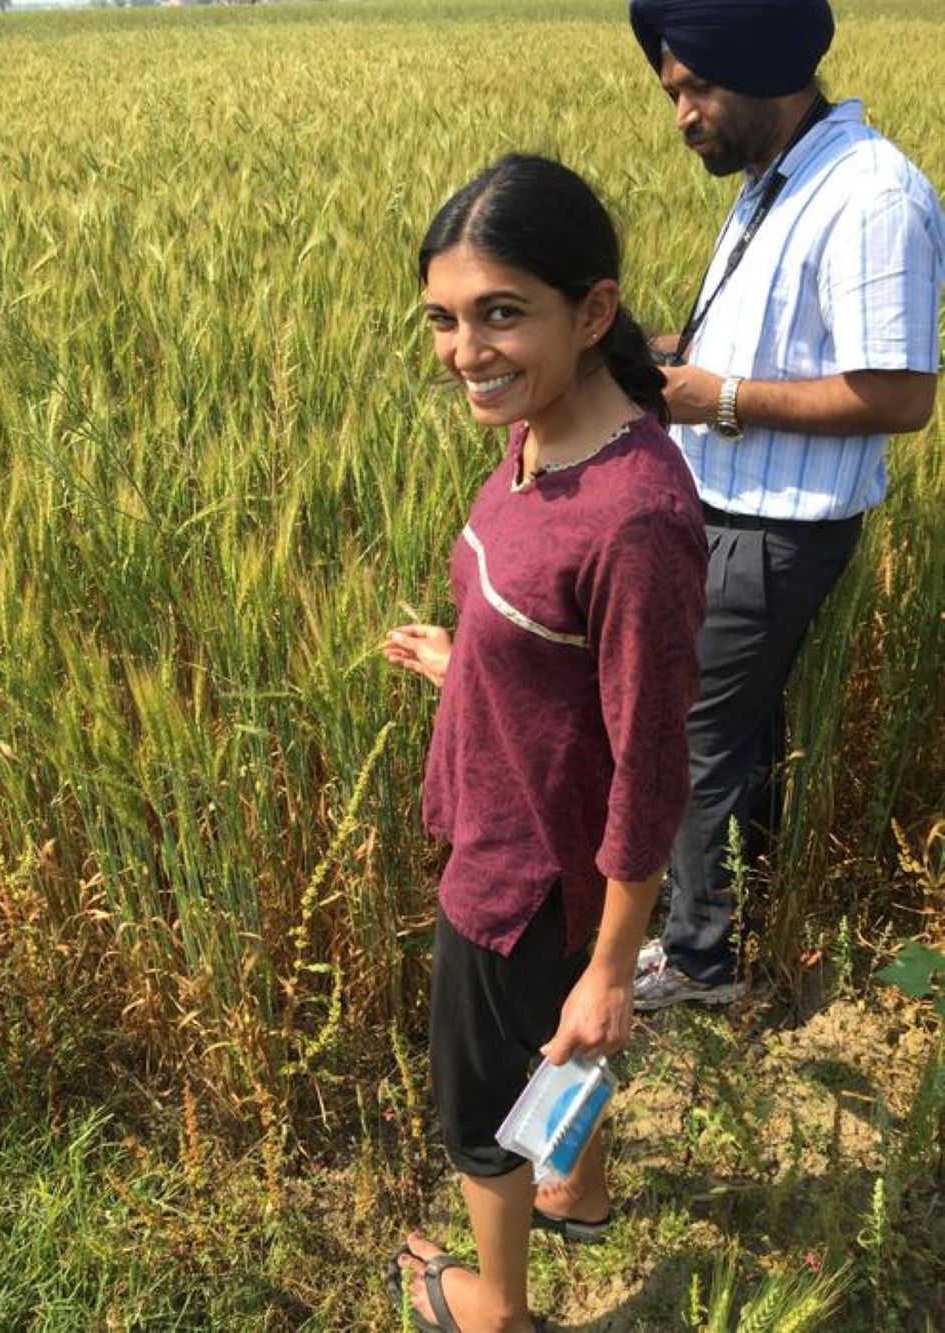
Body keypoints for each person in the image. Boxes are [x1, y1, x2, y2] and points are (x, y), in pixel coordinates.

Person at [382, 154, 706, 1333]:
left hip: (521, 877)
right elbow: (558, 648)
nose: (466, 349)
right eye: (445, 319)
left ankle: (495, 1307)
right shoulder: (535, 435)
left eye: (500, 313)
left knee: (482, 1100)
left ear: (595, 311)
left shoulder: (637, 519)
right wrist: (469, 660)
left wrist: (616, 963)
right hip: (510, 826)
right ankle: (583, 1181)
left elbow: (650, 761)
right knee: (554, 1038)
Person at [628, 0, 945, 1009]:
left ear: (761, 66)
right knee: (730, 734)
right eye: (672, 89)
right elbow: (768, 352)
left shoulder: (869, 195)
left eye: (694, 87)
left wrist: (708, 398)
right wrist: (649, 364)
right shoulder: (776, 181)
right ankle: (723, 934)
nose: (680, 113)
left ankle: (698, 964)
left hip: (773, 529)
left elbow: (898, 394)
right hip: (723, 510)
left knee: (691, 736)